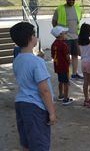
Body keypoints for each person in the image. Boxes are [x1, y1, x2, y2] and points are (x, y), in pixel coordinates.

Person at [10, 22, 56, 150]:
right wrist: (51, 112)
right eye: (34, 34)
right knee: (39, 143)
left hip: (21, 103)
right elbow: (44, 90)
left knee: (27, 142)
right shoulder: (37, 61)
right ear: (30, 38)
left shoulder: (17, 60)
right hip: (35, 107)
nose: (36, 37)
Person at [52, 0, 83, 80]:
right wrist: (59, 33)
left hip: (75, 36)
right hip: (64, 38)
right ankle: (66, 73)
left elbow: (78, 20)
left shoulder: (77, 8)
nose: (71, 1)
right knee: (65, 56)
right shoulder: (60, 9)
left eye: (73, 0)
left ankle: (74, 73)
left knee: (75, 55)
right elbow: (54, 22)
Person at [51, 26, 74, 105]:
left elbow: (52, 55)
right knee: (66, 82)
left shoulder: (54, 44)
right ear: (60, 34)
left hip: (57, 66)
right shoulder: (63, 45)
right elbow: (67, 56)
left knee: (60, 81)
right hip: (64, 66)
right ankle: (66, 98)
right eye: (64, 33)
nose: (65, 34)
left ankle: (61, 95)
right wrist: (69, 62)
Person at [78, 23, 90, 108]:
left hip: (83, 63)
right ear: (88, 32)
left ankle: (86, 99)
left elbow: (79, 53)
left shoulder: (79, 42)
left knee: (86, 82)